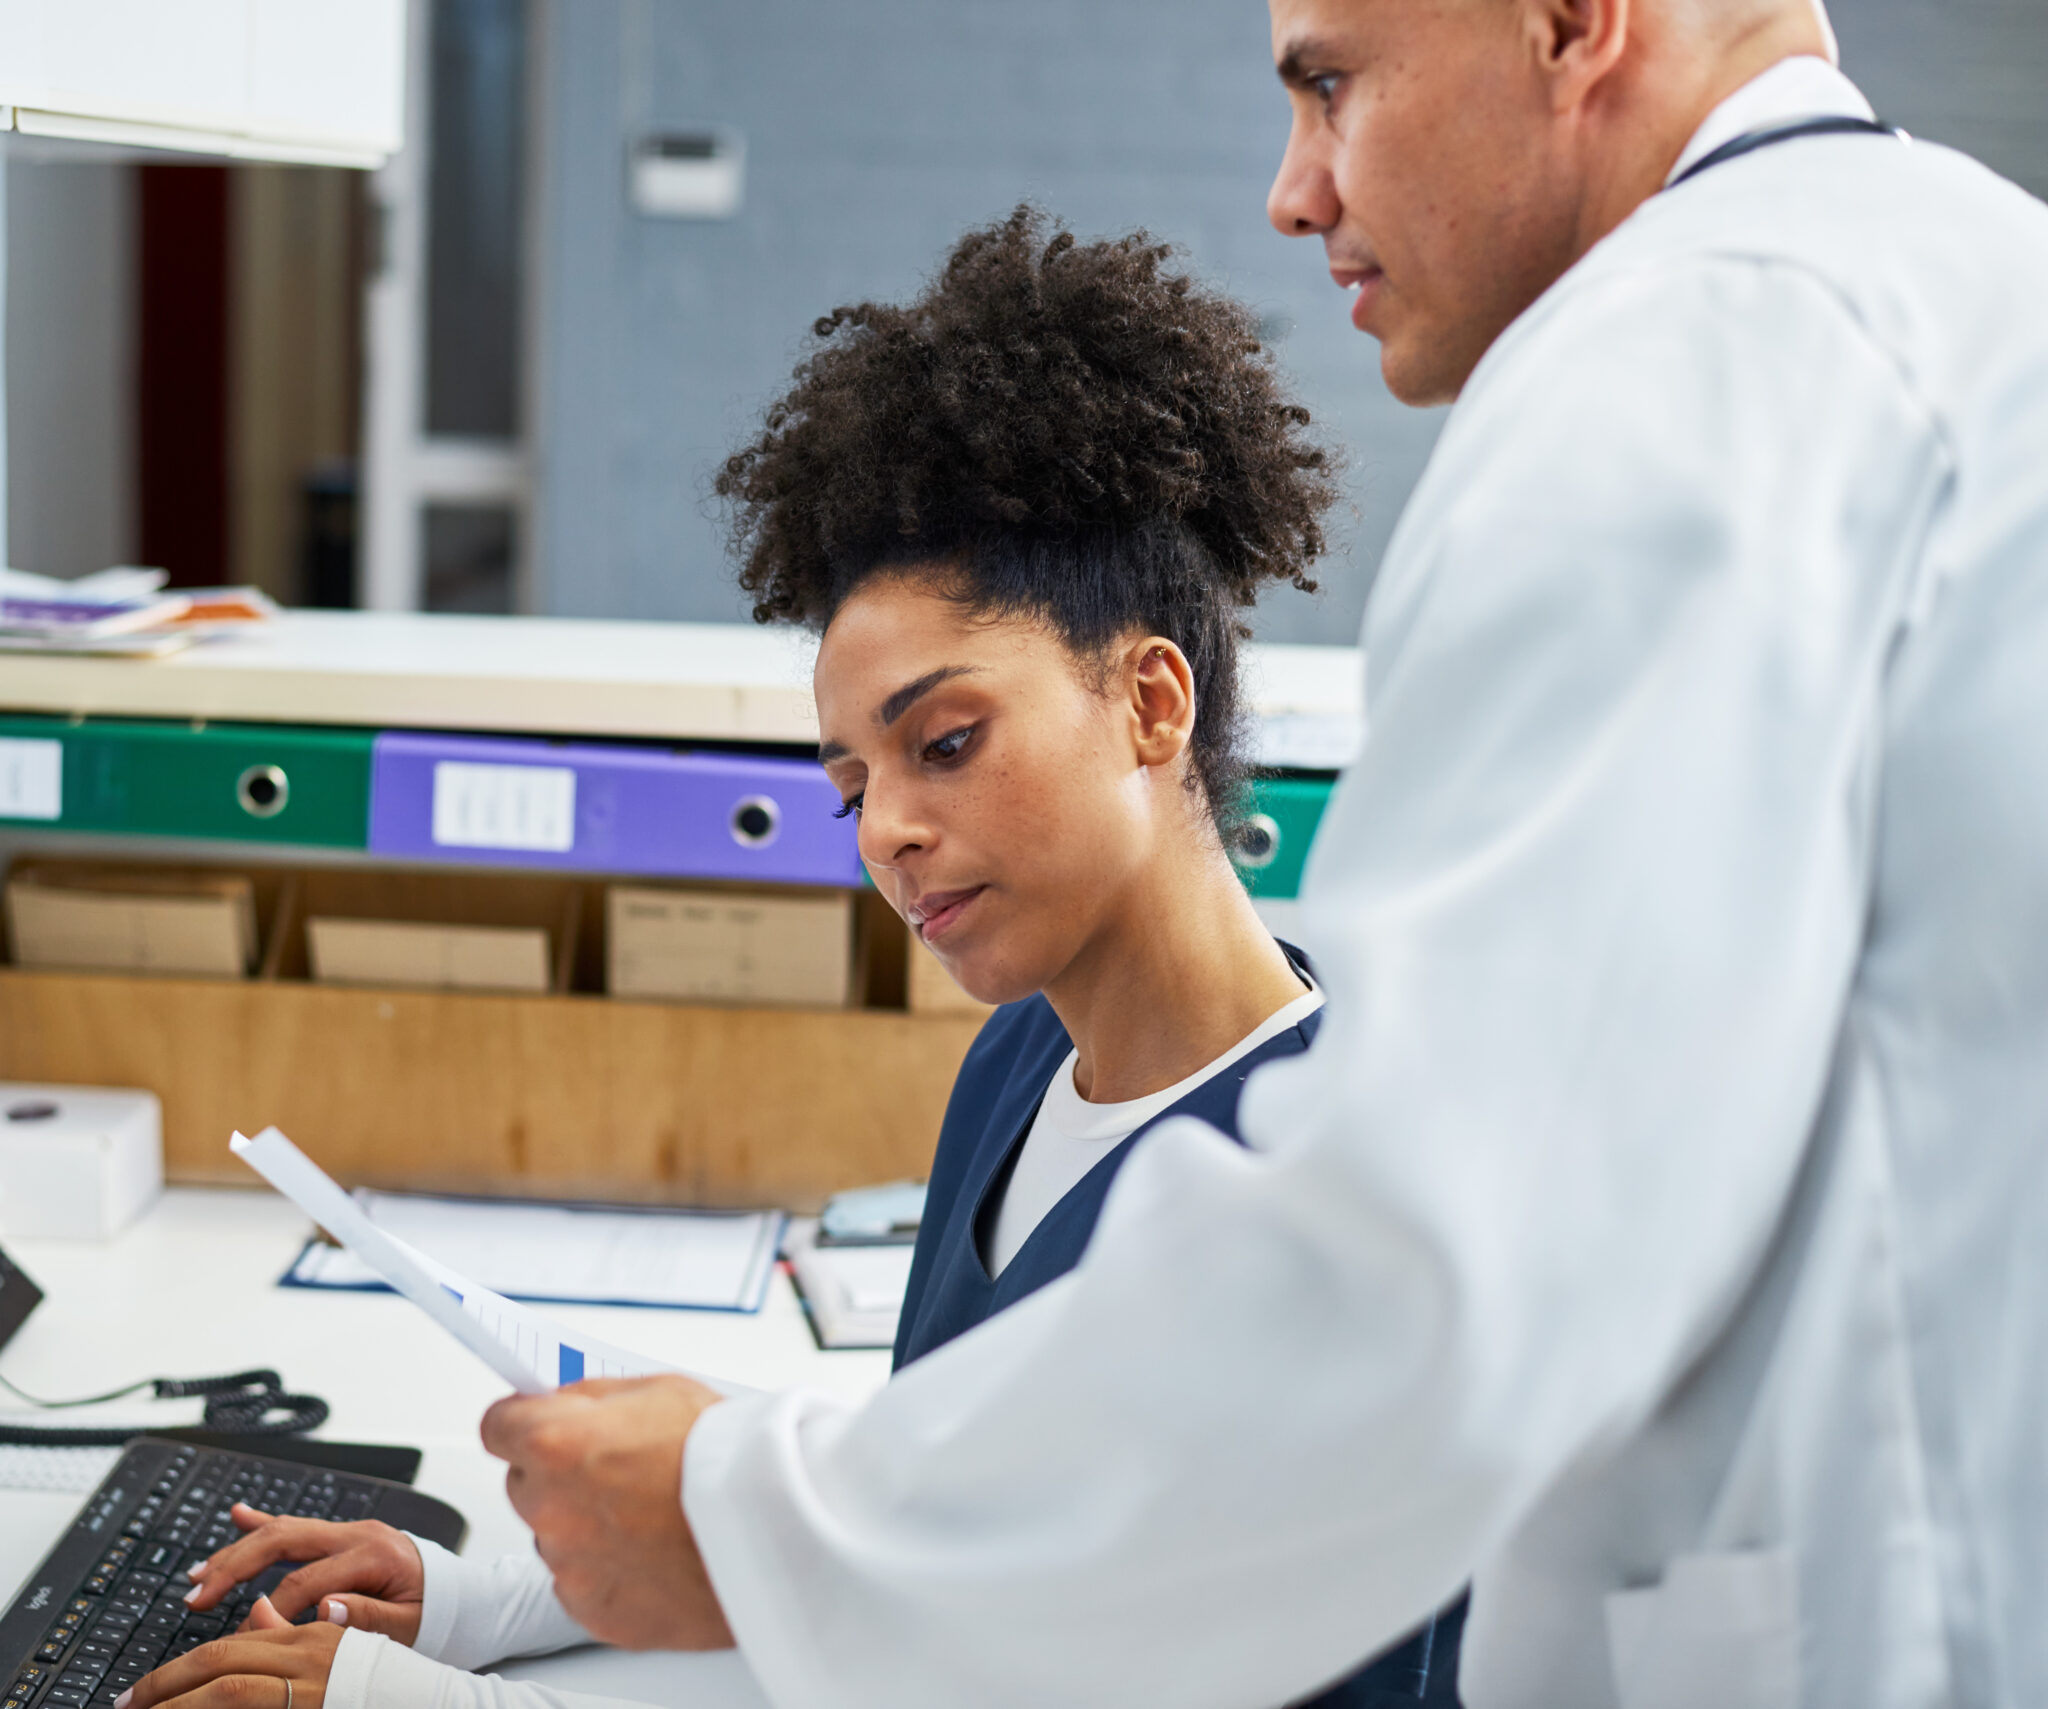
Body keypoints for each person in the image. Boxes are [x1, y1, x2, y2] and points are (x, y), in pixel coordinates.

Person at [466, 1, 2048, 1705]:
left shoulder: (1682, 368)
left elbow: (1423, 1285)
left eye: (1330, 82)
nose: (1296, 192)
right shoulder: (1976, 283)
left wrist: (745, 1521)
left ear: (1575, 24)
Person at [117, 212, 1468, 1708]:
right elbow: (926, 1529)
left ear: (1151, 701)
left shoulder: (1302, 1196)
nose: (886, 830)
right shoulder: (1024, 1060)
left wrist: (400, 1702)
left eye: (945, 744)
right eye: (848, 786)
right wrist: (469, 1602)